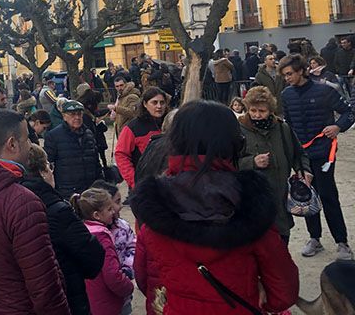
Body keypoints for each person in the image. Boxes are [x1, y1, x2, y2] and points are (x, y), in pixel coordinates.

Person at [131, 100, 299, 315]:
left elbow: (146, 278)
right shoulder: (249, 206)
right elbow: (284, 290)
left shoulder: (157, 205)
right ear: (233, 142)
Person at [0, 109, 71, 315]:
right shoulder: (22, 202)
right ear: (12, 144)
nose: (31, 146)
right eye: (27, 140)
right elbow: (44, 285)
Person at [280, 54, 355, 260]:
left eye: (289, 74)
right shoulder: (286, 95)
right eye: (284, 75)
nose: (287, 78)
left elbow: (349, 112)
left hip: (323, 154)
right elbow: (287, 124)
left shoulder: (324, 91)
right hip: (302, 157)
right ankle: (315, 238)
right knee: (306, 196)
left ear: (301, 71)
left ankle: (342, 242)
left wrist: (338, 126)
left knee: (329, 196)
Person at [21, 144, 105, 315]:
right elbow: (92, 256)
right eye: (49, 166)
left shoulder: (11, 202)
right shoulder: (58, 210)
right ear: (43, 172)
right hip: (66, 294)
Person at [239, 86, 311, 243]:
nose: (257, 115)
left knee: (282, 240)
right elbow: (228, 163)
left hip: (281, 198)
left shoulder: (282, 128)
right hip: (253, 201)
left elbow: (299, 154)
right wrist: (251, 162)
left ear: (270, 110)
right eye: (253, 110)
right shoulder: (238, 131)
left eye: (262, 111)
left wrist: (304, 170)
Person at [73, 188, 134, 315]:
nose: (114, 212)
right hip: (107, 302)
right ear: (96, 215)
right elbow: (112, 275)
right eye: (109, 209)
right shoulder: (102, 239)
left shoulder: (81, 232)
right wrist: (128, 287)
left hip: (91, 299)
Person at [91, 180, 137, 315]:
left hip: (123, 288)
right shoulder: (90, 234)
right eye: (116, 202)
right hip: (100, 295)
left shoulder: (122, 226)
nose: (121, 206)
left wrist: (128, 270)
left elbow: (133, 246)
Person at [44, 100, 102, 198]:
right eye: (72, 114)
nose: (77, 117)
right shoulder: (53, 136)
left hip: (90, 190)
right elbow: (47, 165)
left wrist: (100, 183)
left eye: (79, 114)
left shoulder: (88, 134)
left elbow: (95, 161)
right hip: (67, 191)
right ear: (64, 116)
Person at [115, 87, 167, 196]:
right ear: (145, 104)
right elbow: (121, 154)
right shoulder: (133, 127)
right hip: (144, 186)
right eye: (154, 102)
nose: (159, 106)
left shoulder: (170, 123)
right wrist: (134, 180)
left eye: (162, 102)